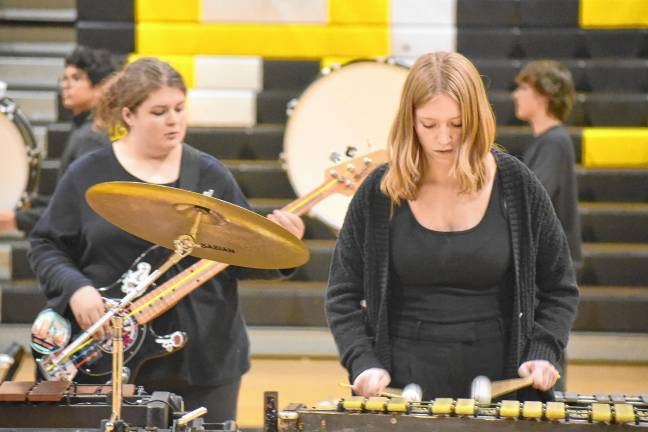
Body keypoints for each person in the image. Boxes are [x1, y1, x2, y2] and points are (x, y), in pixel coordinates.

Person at [28, 57, 305, 422]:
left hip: (204, 362)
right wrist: (76, 288)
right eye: (159, 112)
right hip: (112, 358)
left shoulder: (209, 175)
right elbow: (46, 245)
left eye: (179, 108)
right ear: (128, 115)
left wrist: (281, 248)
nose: (174, 120)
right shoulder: (89, 174)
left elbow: (240, 259)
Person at [325, 52, 579, 402]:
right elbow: (342, 293)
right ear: (410, 121)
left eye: (457, 124)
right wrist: (362, 360)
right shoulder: (379, 191)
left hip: (501, 378)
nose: (444, 138)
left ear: (476, 119)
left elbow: (560, 287)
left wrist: (543, 349)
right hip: (402, 377)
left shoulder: (517, 184)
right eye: (429, 125)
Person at [0, 45, 118, 234]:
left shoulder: (91, 137)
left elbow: (77, 209)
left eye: (76, 78)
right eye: (64, 78)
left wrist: (17, 219)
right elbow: (65, 198)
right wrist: (32, 205)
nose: (65, 84)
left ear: (100, 87)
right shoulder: (82, 130)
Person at [513, 60, 582, 268]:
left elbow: (533, 197)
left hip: (551, 267)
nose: (515, 95)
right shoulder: (548, 141)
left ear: (545, 95)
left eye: (524, 88)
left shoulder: (554, 142)